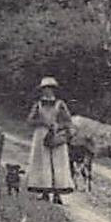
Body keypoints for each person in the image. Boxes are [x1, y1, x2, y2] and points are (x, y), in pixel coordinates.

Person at [26, 76, 75, 204]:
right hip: (41, 135)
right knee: (43, 163)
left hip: (56, 135)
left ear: (54, 90)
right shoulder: (38, 104)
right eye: (45, 89)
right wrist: (42, 122)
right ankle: (45, 192)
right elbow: (29, 120)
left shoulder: (60, 104)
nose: (47, 91)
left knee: (58, 163)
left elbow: (68, 121)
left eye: (50, 88)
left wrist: (59, 125)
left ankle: (58, 194)